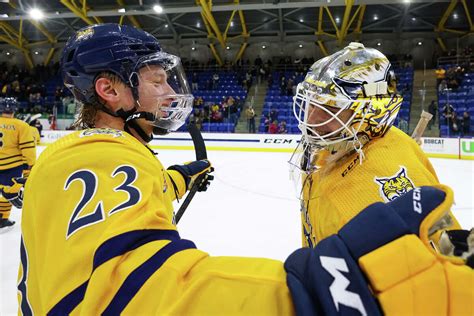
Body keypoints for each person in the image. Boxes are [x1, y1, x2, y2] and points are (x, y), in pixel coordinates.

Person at [16, 25, 473, 316]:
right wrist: (307, 295)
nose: (170, 92)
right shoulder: (93, 158)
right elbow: (132, 294)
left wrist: (176, 180)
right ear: (109, 91)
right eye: (157, 81)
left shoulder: (99, 153)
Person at [290, 42, 462, 248]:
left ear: (370, 110)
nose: (312, 118)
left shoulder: (385, 176)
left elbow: (444, 269)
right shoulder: (330, 146)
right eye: (312, 103)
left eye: (329, 108)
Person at [0, 98, 36, 231]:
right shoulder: (21, 125)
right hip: (12, 166)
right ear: (14, 109)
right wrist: (31, 166)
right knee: (10, 192)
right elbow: (27, 148)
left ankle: (2, 217)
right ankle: (2, 216)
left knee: (6, 192)